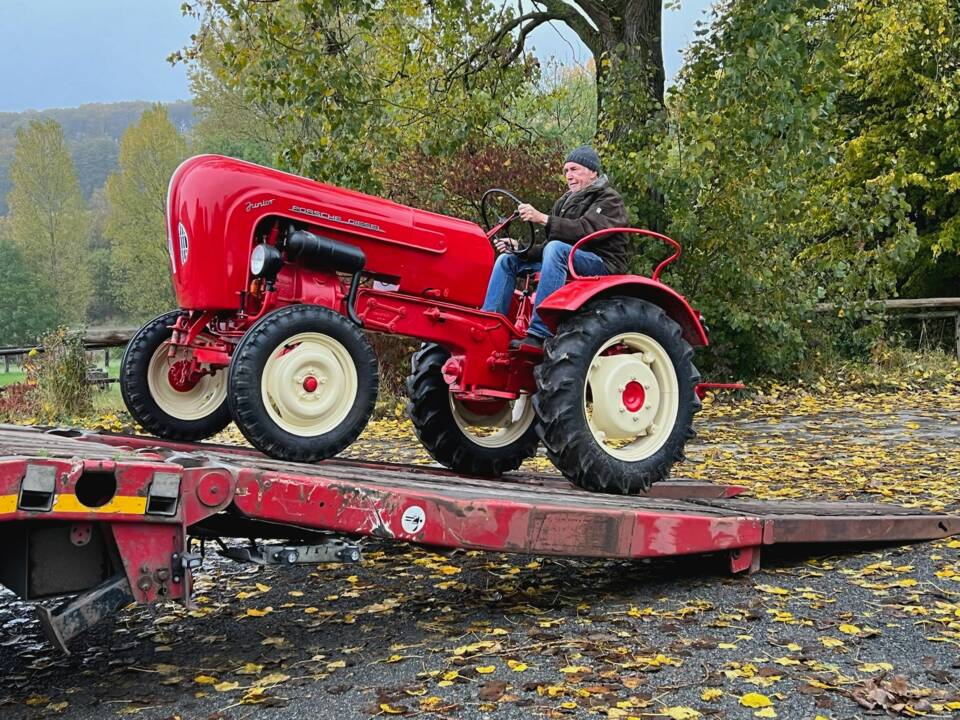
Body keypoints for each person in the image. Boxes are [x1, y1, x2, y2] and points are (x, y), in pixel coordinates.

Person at [481, 145, 629, 350]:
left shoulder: (608, 199)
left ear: (593, 172)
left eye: (575, 169)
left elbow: (585, 231)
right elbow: (549, 247)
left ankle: (539, 333)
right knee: (508, 260)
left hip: (602, 263)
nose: (569, 175)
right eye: (566, 171)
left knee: (557, 249)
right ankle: (489, 327)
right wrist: (520, 247)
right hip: (568, 257)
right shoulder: (564, 202)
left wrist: (542, 218)